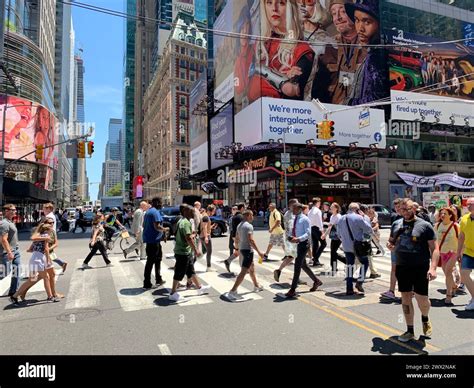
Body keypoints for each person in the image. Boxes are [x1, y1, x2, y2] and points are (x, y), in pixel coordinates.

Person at [387, 198, 439, 342]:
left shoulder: (425, 225)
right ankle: (409, 330)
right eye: (402, 209)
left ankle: (425, 317)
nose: (404, 212)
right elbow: (391, 242)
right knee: (405, 298)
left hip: (420, 267)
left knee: (422, 300)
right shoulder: (396, 224)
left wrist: (433, 268)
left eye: (407, 209)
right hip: (402, 266)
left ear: (414, 209)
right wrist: (390, 246)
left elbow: (435, 249)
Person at [247, 0, 315, 102]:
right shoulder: (258, 45)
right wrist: (282, 79)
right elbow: (248, 91)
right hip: (253, 113)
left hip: (283, 114)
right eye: (269, 2)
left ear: (290, 8)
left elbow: (292, 90)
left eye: (281, 3)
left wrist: (259, 73)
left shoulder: (302, 49)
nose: (274, 8)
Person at [311, 0, 366, 104]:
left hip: (360, 112)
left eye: (343, 12)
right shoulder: (328, 47)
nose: (338, 18)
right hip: (331, 111)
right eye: (334, 13)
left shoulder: (367, 48)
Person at [344, 0, 389, 105]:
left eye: (367, 22)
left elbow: (376, 101)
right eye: (357, 20)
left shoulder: (377, 57)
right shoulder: (373, 53)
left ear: (380, 24)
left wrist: (350, 103)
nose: (360, 29)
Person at [168, 205, 210, 302]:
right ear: (186, 211)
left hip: (182, 251)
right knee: (179, 272)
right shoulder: (186, 222)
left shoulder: (181, 221)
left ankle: (199, 287)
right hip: (183, 252)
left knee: (190, 271)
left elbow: (183, 235)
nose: (194, 213)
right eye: (192, 211)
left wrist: (193, 234)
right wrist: (196, 250)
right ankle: (173, 293)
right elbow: (188, 238)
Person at [10, 222, 59, 305]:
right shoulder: (46, 237)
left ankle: (15, 296)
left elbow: (31, 247)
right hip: (39, 259)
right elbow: (46, 250)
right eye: (50, 229)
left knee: (31, 280)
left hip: (33, 259)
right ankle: (50, 297)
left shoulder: (38, 236)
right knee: (46, 278)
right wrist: (48, 260)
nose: (51, 231)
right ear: (46, 230)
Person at [284, 202, 323, 298]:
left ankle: (292, 289)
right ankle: (316, 281)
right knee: (303, 265)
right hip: (297, 243)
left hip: (303, 244)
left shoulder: (305, 219)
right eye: (292, 208)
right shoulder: (295, 218)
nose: (292, 210)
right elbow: (296, 230)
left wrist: (298, 239)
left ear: (300, 209)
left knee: (297, 266)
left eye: (294, 209)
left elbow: (307, 233)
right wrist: (291, 237)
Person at [226, 210, 265, 301]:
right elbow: (251, 240)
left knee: (252, 268)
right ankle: (233, 290)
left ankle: (256, 286)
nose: (253, 217)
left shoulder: (239, 225)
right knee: (244, 271)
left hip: (242, 249)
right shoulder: (249, 226)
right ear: (248, 215)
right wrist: (259, 252)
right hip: (248, 251)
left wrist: (237, 248)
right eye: (252, 215)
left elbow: (236, 238)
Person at [337, 202, 372, 295]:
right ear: (357, 210)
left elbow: (338, 234)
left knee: (349, 266)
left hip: (346, 246)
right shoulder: (359, 217)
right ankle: (359, 282)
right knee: (365, 263)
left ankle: (349, 289)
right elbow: (369, 229)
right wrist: (364, 216)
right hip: (358, 246)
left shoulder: (341, 218)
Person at [435, 207, 459, 306]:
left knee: (448, 271)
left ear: (450, 215)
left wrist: (461, 252)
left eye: (445, 213)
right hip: (442, 253)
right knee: (447, 274)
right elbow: (434, 240)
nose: (443, 215)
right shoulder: (437, 226)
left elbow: (461, 239)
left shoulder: (455, 226)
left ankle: (448, 296)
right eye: (441, 213)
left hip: (453, 252)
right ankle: (453, 286)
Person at [142, 197, 168, 289]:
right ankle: (147, 283)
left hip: (152, 240)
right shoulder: (155, 212)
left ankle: (158, 279)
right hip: (153, 241)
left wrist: (162, 235)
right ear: (156, 202)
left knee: (157, 260)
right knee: (150, 262)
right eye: (160, 202)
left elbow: (144, 225)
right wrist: (165, 230)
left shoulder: (149, 212)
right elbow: (157, 226)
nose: (161, 204)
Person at [381, 198, 403, 300]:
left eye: (399, 206)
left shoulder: (412, 219)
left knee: (406, 270)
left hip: (406, 251)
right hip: (395, 250)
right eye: (395, 207)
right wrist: (389, 243)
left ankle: (409, 290)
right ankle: (391, 290)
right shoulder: (396, 220)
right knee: (394, 269)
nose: (397, 209)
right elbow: (392, 236)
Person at [274, 198, 299, 283]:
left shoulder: (290, 213)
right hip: (292, 239)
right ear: (291, 205)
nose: (298, 206)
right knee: (295, 258)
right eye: (296, 204)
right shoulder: (290, 214)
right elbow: (293, 227)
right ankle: (295, 277)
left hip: (290, 238)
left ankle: (279, 270)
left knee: (292, 257)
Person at [455, 198, 474, 310]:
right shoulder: (464, 219)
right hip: (468, 251)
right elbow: (461, 237)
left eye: (472, 204)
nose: (469, 206)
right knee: (464, 274)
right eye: (468, 204)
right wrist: (458, 252)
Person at [0, 204, 21, 300]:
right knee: (4, 273)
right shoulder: (4, 223)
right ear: (6, 211)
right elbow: (3, 239)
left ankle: (13, 292)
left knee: (17, 271)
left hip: (15, 250)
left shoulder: (10, 222)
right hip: (7, 252)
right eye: (13, 210)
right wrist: (9, 252)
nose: (15, 211)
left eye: (15, 210)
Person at [322, 202, 346, 276]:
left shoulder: (338, 216)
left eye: (332, 207)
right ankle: (334, 268)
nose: (331, 208)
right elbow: (330, 225)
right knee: (333, 252)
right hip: (334, 236)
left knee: (333, 252)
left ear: (336, 208)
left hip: (338, 236)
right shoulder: (333, 216)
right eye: (331, 207)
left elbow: (331, 227)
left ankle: (345, 261)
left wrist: (324, 235)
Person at [42, 203, 67, 273]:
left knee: (45, 252)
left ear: (49, 209)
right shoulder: (52, 215)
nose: (43, 210)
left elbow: (46, 227)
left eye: (44, 208)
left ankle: (42, 271)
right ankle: (61, 263)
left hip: (49, 235)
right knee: (49, 253)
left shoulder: (48, 217)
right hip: (51, 235)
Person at [224, 204, 245, 273]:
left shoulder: (235, 216)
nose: (244, 209)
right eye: (244, 208)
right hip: (238, 236)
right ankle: (243, 268)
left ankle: (228, 261)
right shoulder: (240, 216)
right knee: (242, 251)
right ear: (242, 208)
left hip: (234, 236)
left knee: (238, 251)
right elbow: (241, 228)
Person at [308, 197, 325, 267]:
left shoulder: (310, 211)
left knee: (315, 245)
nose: (320, 204)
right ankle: (315, 258)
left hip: (311, 228)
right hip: (317, 228)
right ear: (317, 203)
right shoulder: (318, 211)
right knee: (324, 244)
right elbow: (319, 222)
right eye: (319, 203)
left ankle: (316, 261)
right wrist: (322, 231)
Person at [200, 204, 216, 271]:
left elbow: (205, 226)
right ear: (211, 211)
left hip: (203, 236)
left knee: (203, 251)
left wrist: (212, 227)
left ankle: (191, 262)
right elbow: (204, 227)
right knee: (209, 251)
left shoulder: (205, 216)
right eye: (214, 211)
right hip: (205, 236)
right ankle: (208, 267)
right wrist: (206, 237)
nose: (214, 212)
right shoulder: (206, 216)